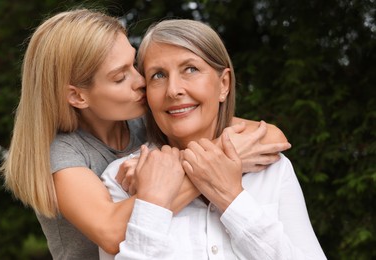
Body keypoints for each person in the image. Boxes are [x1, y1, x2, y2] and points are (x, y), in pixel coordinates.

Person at [0, 9, 291, 260]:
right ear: (77, 97)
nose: (141, 82)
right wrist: (216, 165)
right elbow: (113, 233)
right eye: (120, 76)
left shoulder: (142, 121)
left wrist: (183, 165)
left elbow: (268, 135)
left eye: (134, 64)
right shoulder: (62, 154)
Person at [101, 19, 326, 259]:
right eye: (158, 75)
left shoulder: (271, 169)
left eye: (190, 69)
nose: (173, 90)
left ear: (224, 84)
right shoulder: (123, 177)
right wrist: (152, 202)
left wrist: (232, 198)